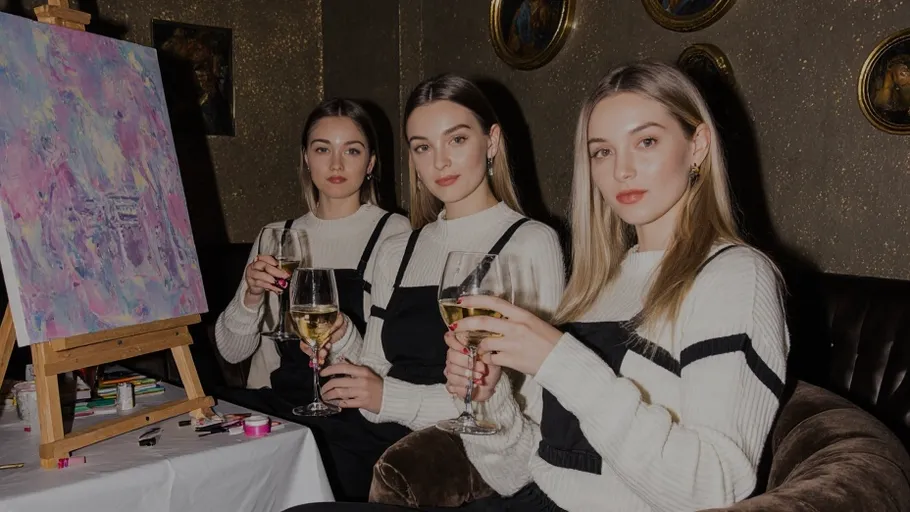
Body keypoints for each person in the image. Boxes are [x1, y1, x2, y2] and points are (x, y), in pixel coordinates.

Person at [293, 61, 789, 511]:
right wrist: (489, 399)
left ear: (697, 145)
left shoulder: (735, 275)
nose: (622, 170)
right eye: (602, 152)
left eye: (647, 141)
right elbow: (521, 472)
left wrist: (560, 359)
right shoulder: (599, 286)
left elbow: (715, 487)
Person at [301, 73, 565, 502]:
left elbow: (528, 401)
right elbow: (374, 365)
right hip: (378, 431)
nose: (439, 161)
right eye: (423, 147)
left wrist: (388, 397)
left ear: (492, 141)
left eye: (456, 140)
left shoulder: (530, 241)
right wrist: (343, 341)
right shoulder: (396, 250)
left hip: (471, 457)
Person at [214, 97, 411, 500]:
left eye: (351, 150)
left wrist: (342, 336)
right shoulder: (278, 235)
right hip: (285, 400)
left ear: (371, 162)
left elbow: (392, 360)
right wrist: (250, 296)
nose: (336, 165)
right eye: (323, 149)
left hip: (357, 412)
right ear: (306, 158)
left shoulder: (396, 234)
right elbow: (231, 352)